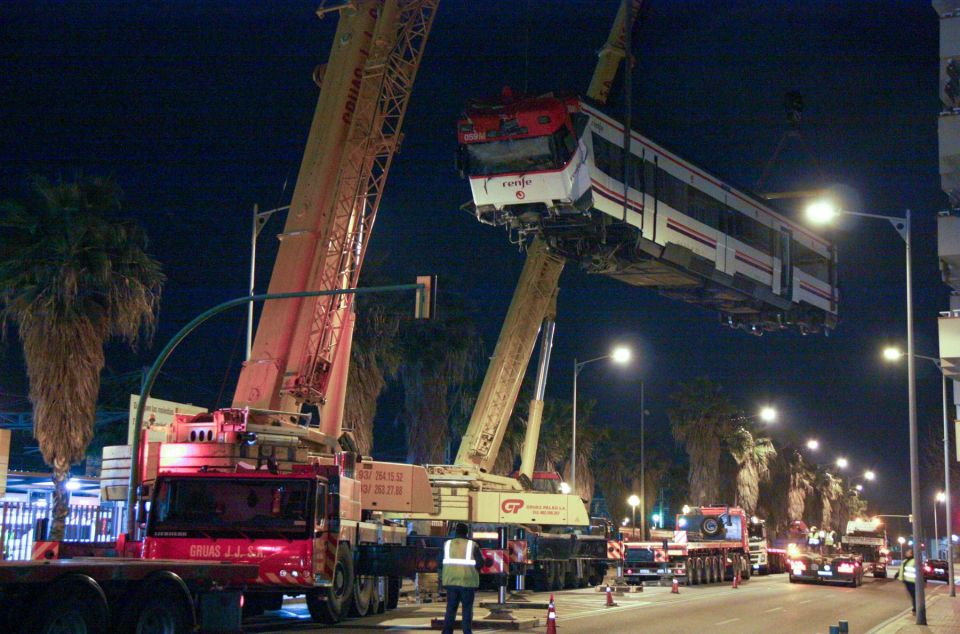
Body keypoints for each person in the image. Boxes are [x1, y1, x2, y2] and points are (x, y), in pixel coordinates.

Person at [440, 522, 484, 634]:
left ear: (455, 531)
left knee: (450, 610)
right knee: (467, 610)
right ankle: (467, 632)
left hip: (451, 581)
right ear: (466, 532)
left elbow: (439, 561)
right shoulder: (472, 545)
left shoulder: (447, 544)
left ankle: (447, 632)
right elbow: (480, 563)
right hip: (467, 582)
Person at [897, 548, 917, 613]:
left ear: (911, 554)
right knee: (912, 596)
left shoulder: (915, 561)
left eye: (908, 552)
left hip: (913, 582)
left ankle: (916, 609)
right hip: (907, 581)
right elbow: (902, 569)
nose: (906, 553)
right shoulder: (905, 561)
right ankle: (915, 608)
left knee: (914, 596)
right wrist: (897, 575)